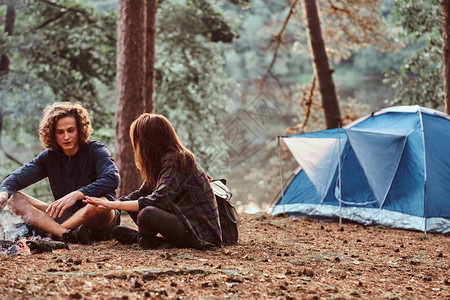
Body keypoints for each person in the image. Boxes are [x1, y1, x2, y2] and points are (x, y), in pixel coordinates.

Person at [83, 113, 222, 249]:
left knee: (147, 213)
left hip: (199, 234)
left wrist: (115, 204)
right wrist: (111, 205)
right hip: (183, 224)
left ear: (148, 141)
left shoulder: (176, 158)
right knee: (131, 206)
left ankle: (143, 240)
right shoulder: (159, 161)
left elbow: (158, 199)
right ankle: (149, 240)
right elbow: (142, 193)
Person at [0, 102, 120, 244]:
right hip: (66, 215)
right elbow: (18, 177)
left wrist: (78, 194)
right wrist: (4, 192)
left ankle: (51, 233)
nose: (66, 137)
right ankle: (65, 234)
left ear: (80, 130)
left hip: (99, 218)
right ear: (52, 134)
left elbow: (112, 178)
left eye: (71, 130)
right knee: (14, 198)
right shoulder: (49, 156)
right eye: (60, 132)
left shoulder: (97, 150)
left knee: (98, 204)